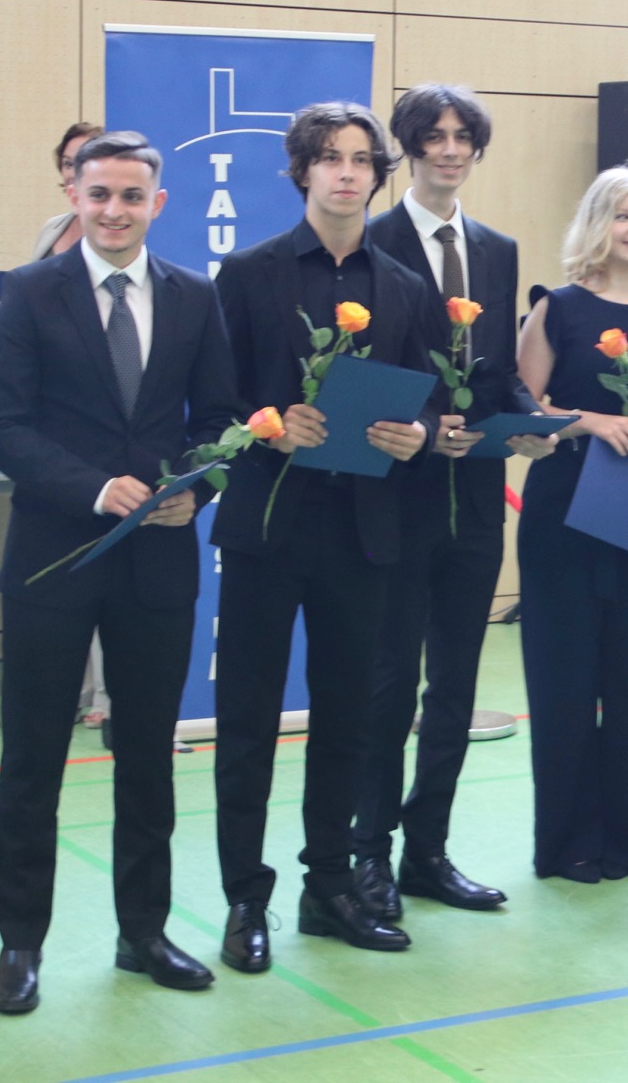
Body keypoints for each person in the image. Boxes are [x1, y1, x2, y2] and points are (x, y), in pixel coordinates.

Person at [0, 130, 238, 1013]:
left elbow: (222, 418)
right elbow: (1, 424)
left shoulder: (194, 296)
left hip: (158, 563)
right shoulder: (29, 292)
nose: (115, 211)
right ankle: (20, 944)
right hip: (52, 559)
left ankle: (144, 933)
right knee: (33, 761)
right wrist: (93, 489)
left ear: (157, 204)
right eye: (99, 194)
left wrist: (193, 490)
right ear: (74, 196)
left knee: (148, 759)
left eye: (132, 196)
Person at [210, 102, 442, 963]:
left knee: (348, 720)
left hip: (362, 533)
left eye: (360, 159)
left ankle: (330, 887)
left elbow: (426, 401)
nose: (346, 172)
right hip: (268, 531)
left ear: (378, 174)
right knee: (248, 724)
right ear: (302, 170)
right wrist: (269, 424)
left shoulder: (405, 287)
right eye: (330, 158)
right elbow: (215, 399)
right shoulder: (248, 274)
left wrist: (417, 437)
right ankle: (245, 898)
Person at [352, 84, 554, 920]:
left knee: (457, 686)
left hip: (474, 496)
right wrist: (429, 427)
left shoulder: (497, 249)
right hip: (395, 495)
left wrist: (532, 420)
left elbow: (498, 369)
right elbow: (364, 375)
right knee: (389, 684)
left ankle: (428, 849)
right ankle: (369, 854)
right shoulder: (370, 240)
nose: (449, 149)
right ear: (408, 148)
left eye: (462, 136)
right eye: (433, 136)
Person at [515, 163, 628, 883]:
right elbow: (523, 407)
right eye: (623, 215)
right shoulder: (557, 310)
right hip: (562, 513)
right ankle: (566, 846)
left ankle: (625, 844)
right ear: (598, 223)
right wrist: (590, 421)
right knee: (562, 682)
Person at [31, 122, 113, 734]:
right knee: (63, 575)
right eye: (70, 162)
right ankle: (82, 686)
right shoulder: (49, 236)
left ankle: (107, 692)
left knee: (112, 568)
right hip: (50, 438)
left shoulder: (162, 274)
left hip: (114, 442)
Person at [30, 121, 102, 262]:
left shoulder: (113, 231)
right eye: (68, 164)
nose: (72, 174)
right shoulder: (51, 227)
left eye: (83, 164)